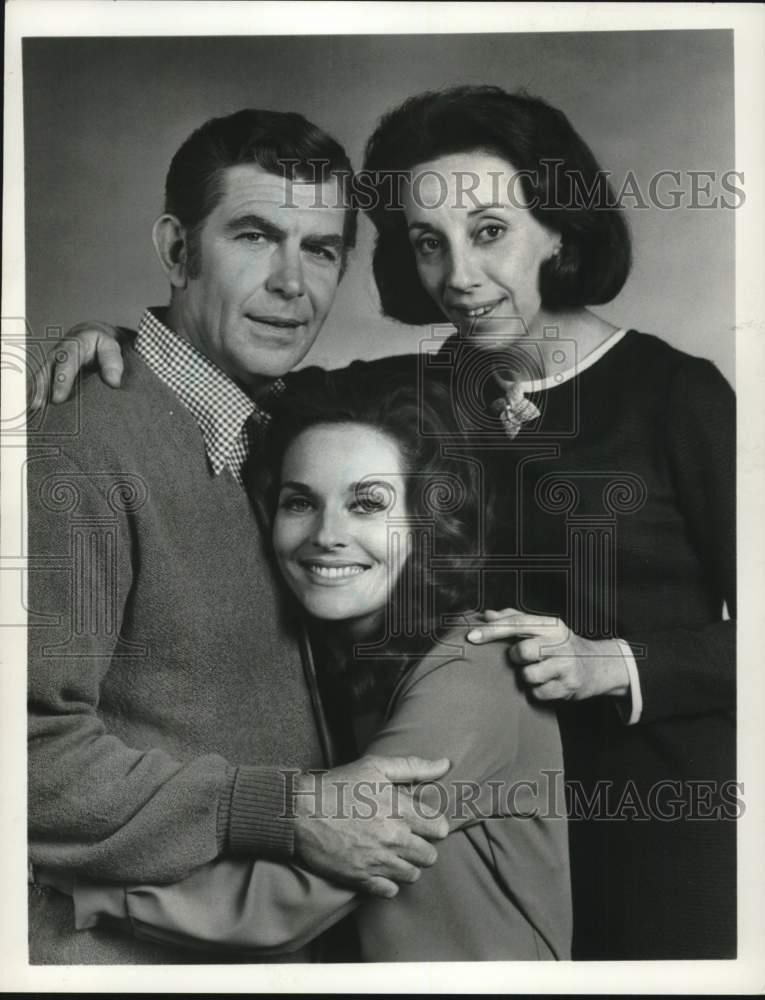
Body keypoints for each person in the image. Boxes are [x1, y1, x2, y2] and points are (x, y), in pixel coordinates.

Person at [35, 85, 736, 960]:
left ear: (558, 228)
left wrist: (618, 661)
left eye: (490, 232)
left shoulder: (677, 396)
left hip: (651, 831)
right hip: (460, 836)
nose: (461, 278)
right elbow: (250, 400)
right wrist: (108, 350)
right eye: (427, 243)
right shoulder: (421, 393)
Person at [26, 108, 452, 966]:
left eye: (321, 249)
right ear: (177, 249)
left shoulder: (283, 426)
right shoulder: (77, 442)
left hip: (266, 949)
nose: (291, 284)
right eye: (255, 236)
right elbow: (22, 751)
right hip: (124, 958)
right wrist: (283, 809)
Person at [45, 370, 572, 961]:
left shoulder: (477, 667)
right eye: (300, 502)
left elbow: (289, 900)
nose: (327, 536)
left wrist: (79, 894)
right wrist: (115, 348)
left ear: (427, 524)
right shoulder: (323, 656)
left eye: (367, 504)